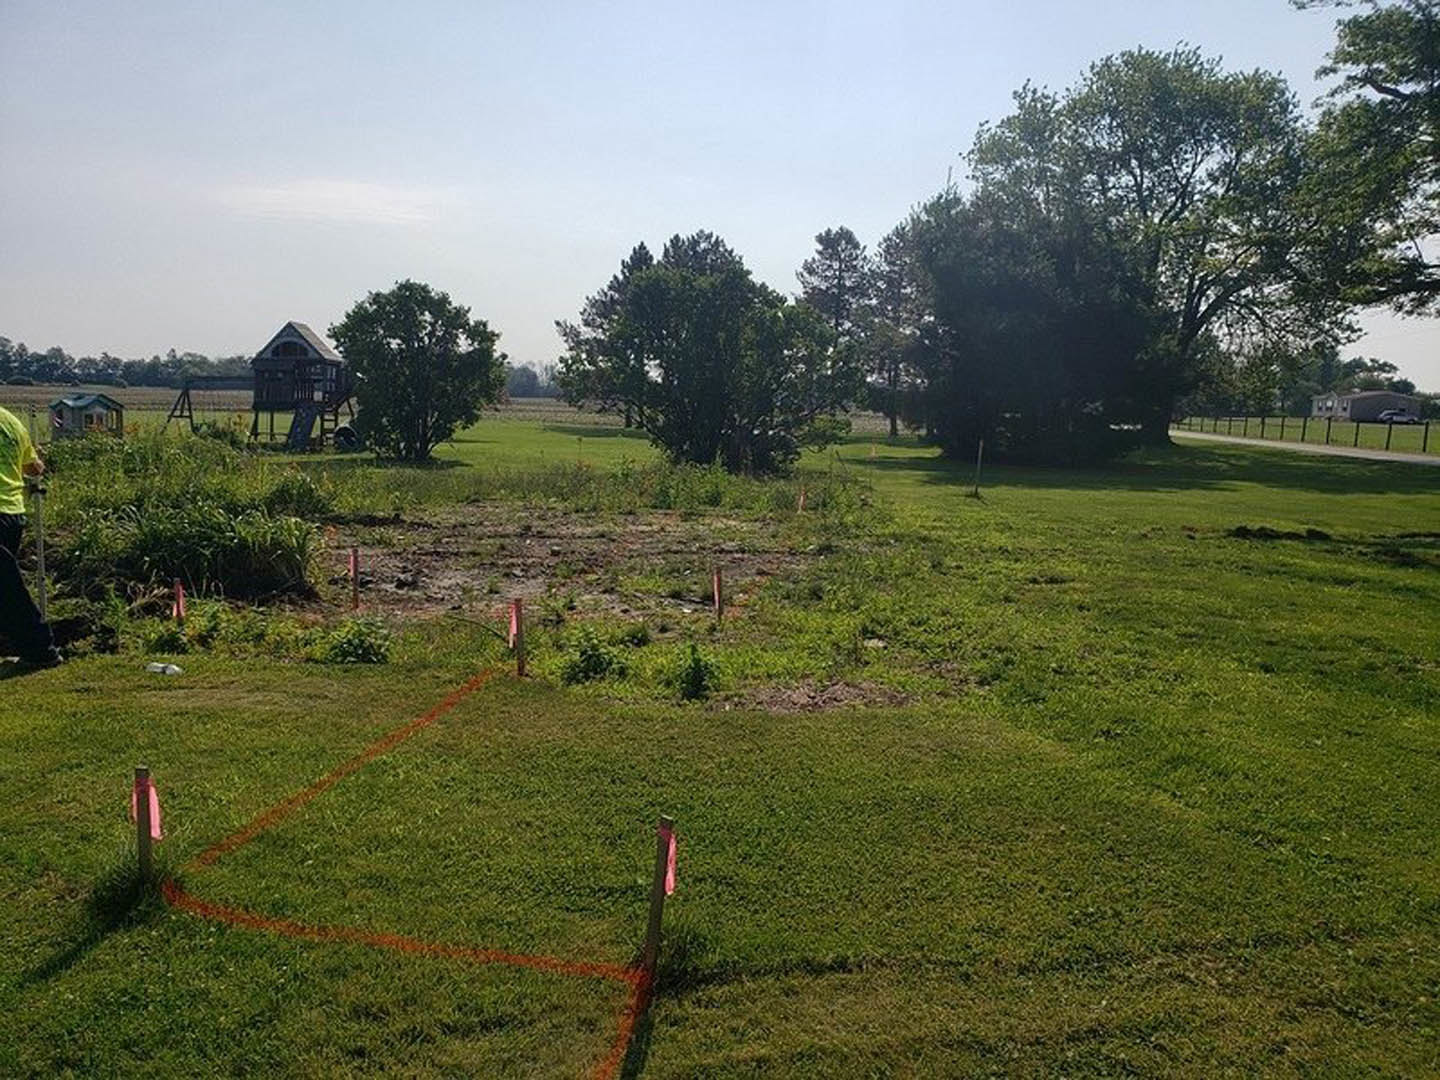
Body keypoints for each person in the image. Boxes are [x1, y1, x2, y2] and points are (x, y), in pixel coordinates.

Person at [0, 405, 61, 667]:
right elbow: (34, 468)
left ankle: (40, 650)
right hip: (13, 513)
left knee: (7, 588)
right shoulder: (11, 422)